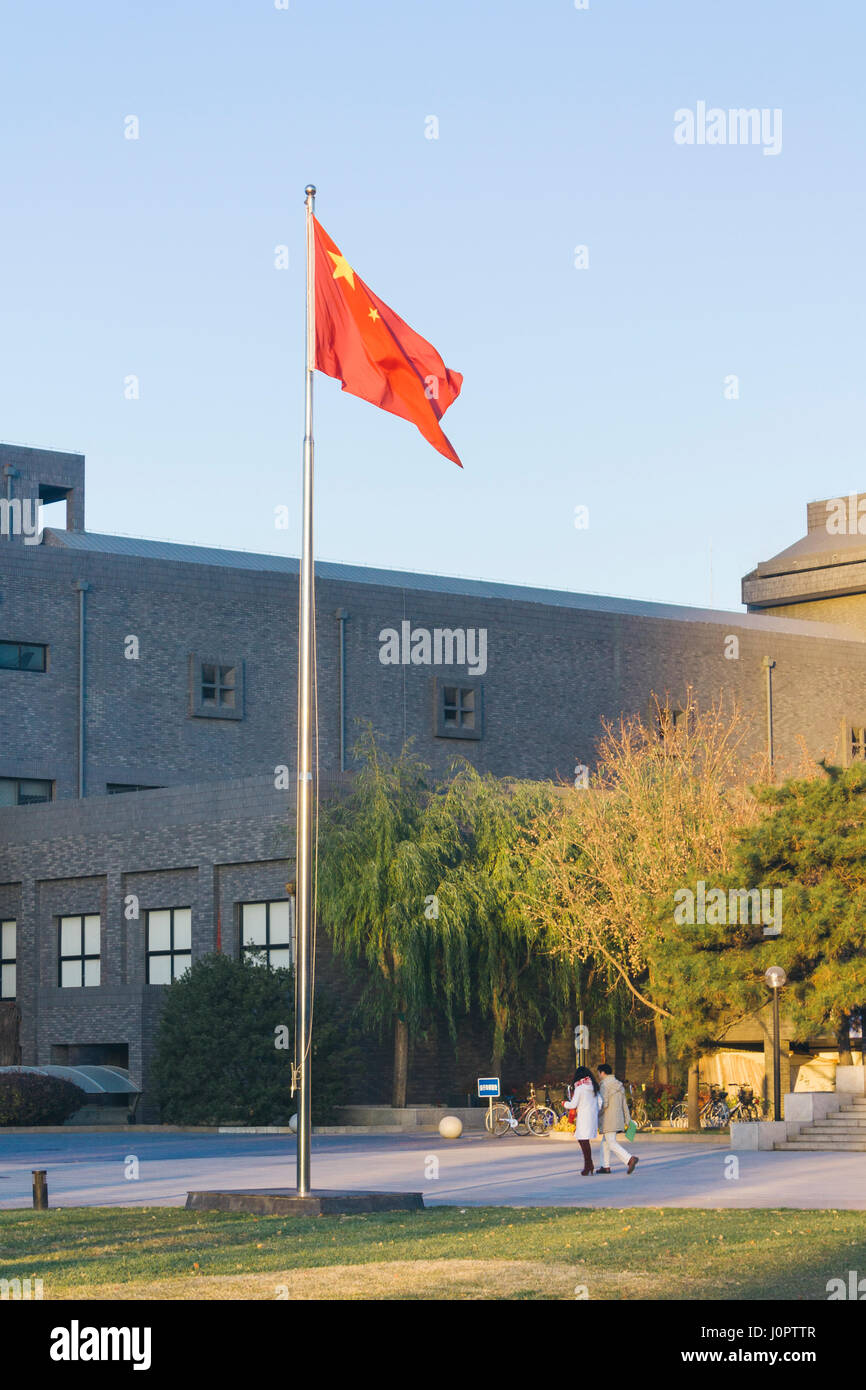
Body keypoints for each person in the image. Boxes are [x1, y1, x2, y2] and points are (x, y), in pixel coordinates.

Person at [595, 1063, 639, 1175]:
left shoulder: (604, 1085)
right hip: (618, 1118)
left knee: (611, 1142)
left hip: (608, 1119)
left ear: (603, 1072)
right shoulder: (619, 1085)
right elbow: (624, 1105)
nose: (598, 1075)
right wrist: (628, 1120)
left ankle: (629, 1159)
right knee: (605, 1142)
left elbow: (604, 1104)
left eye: (599, 1073)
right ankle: (605, 1166)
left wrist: (596, 1114)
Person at [569, 1065, 600, 1175]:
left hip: (583, 1117)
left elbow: (573, 1104)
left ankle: (588, 1165)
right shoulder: (593, 1086)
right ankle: (588, 1164)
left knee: (582, 1140)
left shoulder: (580, 1088)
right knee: (584, 1140)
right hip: (592, 1117)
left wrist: (564, 1103)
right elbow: (600, 1102)